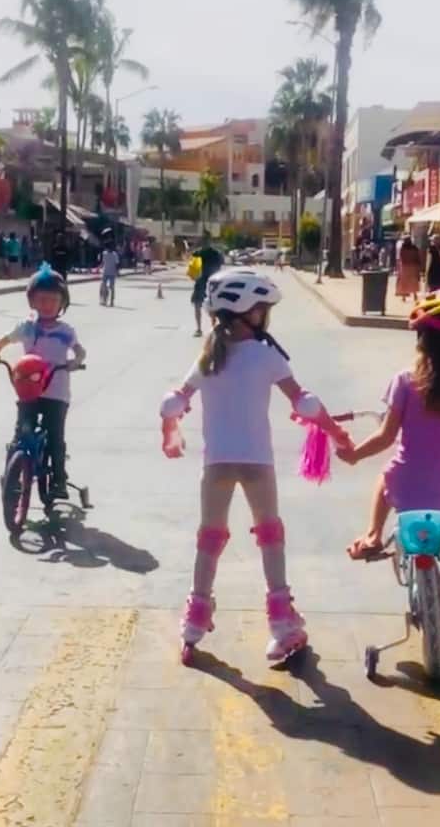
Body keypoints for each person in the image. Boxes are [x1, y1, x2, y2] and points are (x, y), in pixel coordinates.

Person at [160, 269, 350, 661]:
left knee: (209, 539)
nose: (266, 317)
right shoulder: (266, 355)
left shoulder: (208, 357)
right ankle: (282, 627)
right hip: (256, 463)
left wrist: (170, 431)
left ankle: (194, 626)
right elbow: (305, 403)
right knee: (270, 536)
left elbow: (173, 402)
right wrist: (335, 432)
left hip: (216, 464)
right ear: (249, 312)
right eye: (263, 310)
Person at [337, 288, 440, 617]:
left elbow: (386, 437)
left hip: (407, 484)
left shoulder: (406, 381)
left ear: (422, 341)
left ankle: (372, 535)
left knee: (387, 476)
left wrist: (355, 454)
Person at [0, 264, 85, 499]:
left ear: (62, 304)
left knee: (55, 437)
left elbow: (80, 350)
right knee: (21, 433)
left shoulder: (66, 331)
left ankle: (58, 479)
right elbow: (2, 339)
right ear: (32, 302)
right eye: (41, 299)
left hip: (56, 392)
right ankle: (11, 473)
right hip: (28, 389)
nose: (47, 304)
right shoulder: (27, 327)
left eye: (53, 300)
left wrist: (76, 360)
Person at [190, 235, 224, 338]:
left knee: (197, 305)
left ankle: (199, 329)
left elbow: (193, 272)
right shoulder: (217, 253)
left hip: (200, 283)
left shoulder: (197, 254)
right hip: (213, 283)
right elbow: (219, 267)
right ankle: (214, 327)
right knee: (213, 306)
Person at [397, 234, 421, 302]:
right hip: (413, 266)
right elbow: (417, 257)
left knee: (404, 282)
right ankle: (415, 296)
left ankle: (404, 297)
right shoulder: (414, 248)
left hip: (405, 267)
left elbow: (401, 257)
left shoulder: (403, 248)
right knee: (413, 281)